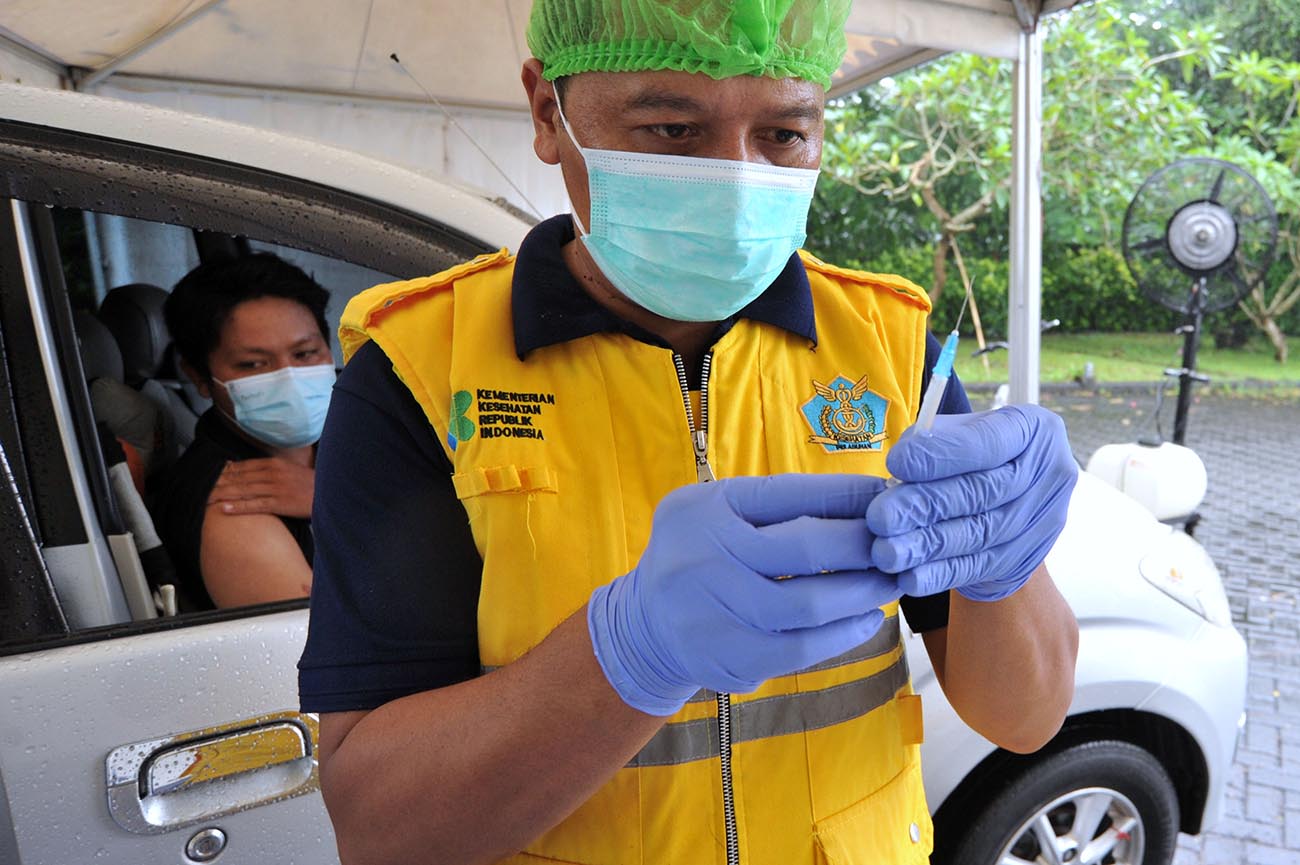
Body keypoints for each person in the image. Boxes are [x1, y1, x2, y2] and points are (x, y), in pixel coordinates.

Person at [299, 2, 1079, 863]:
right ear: (545, 113)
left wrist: (1006, 567)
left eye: (783, 134)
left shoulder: (889, 346)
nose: (735, 179)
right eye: (672, 126)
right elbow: (382, 831)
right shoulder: (422, 370)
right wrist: (626, 653)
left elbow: (1026, 716)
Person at [152, 253, 334, 609]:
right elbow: (331, 648)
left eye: (305, 353)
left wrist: (331, 498)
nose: (289, 379)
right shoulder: (233, 501)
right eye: (253, 364)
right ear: (199, 377)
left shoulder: (353, 435)